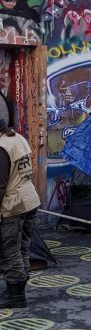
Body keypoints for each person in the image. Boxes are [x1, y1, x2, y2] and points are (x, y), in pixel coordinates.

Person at [0, 119, 41, 308]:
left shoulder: (1, 147)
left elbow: (0, 185)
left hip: (13, 204)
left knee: (11, 252)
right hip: (30, 198)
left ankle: (16, 296)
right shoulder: (17, 138)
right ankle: (18, 288)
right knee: (23, 248)